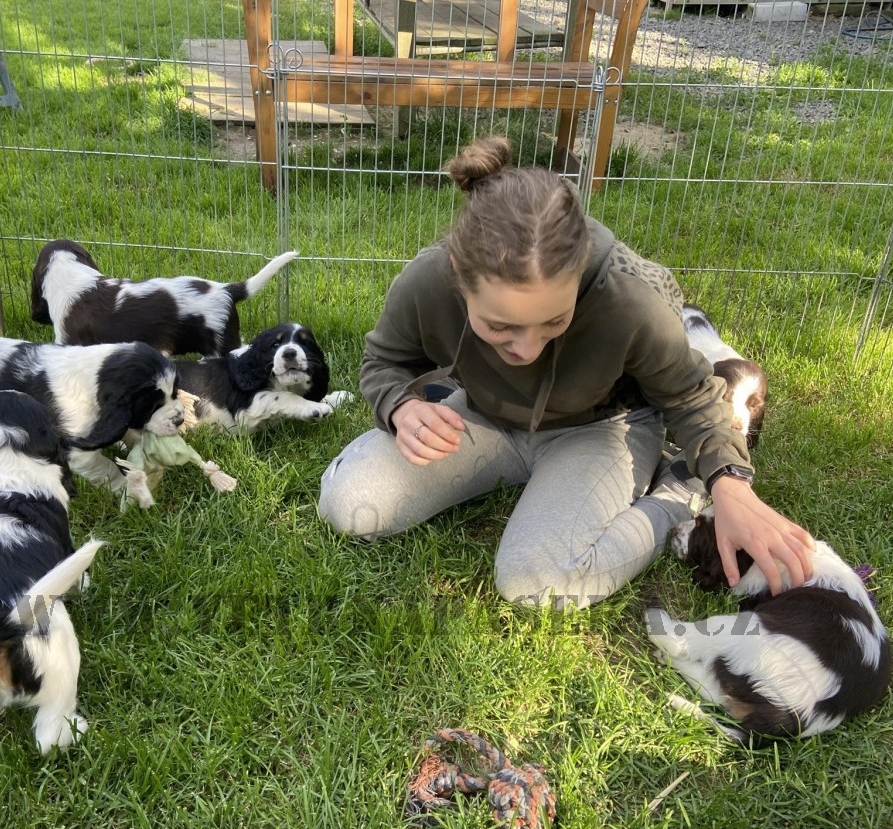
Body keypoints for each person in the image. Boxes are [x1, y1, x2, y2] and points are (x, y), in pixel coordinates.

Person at [317, 136, 814, 608]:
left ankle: (676, 493)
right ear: (458, 276)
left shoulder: (628, 299)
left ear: (580, 273)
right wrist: (400, 407)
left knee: (537, 582)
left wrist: (730, 482)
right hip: (486, 415)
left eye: (554, 321)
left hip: (602, 429)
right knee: (349, 506)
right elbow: (384, 362)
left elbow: (691, 396)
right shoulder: (428, 281)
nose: (527, 349)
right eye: (500, 326)